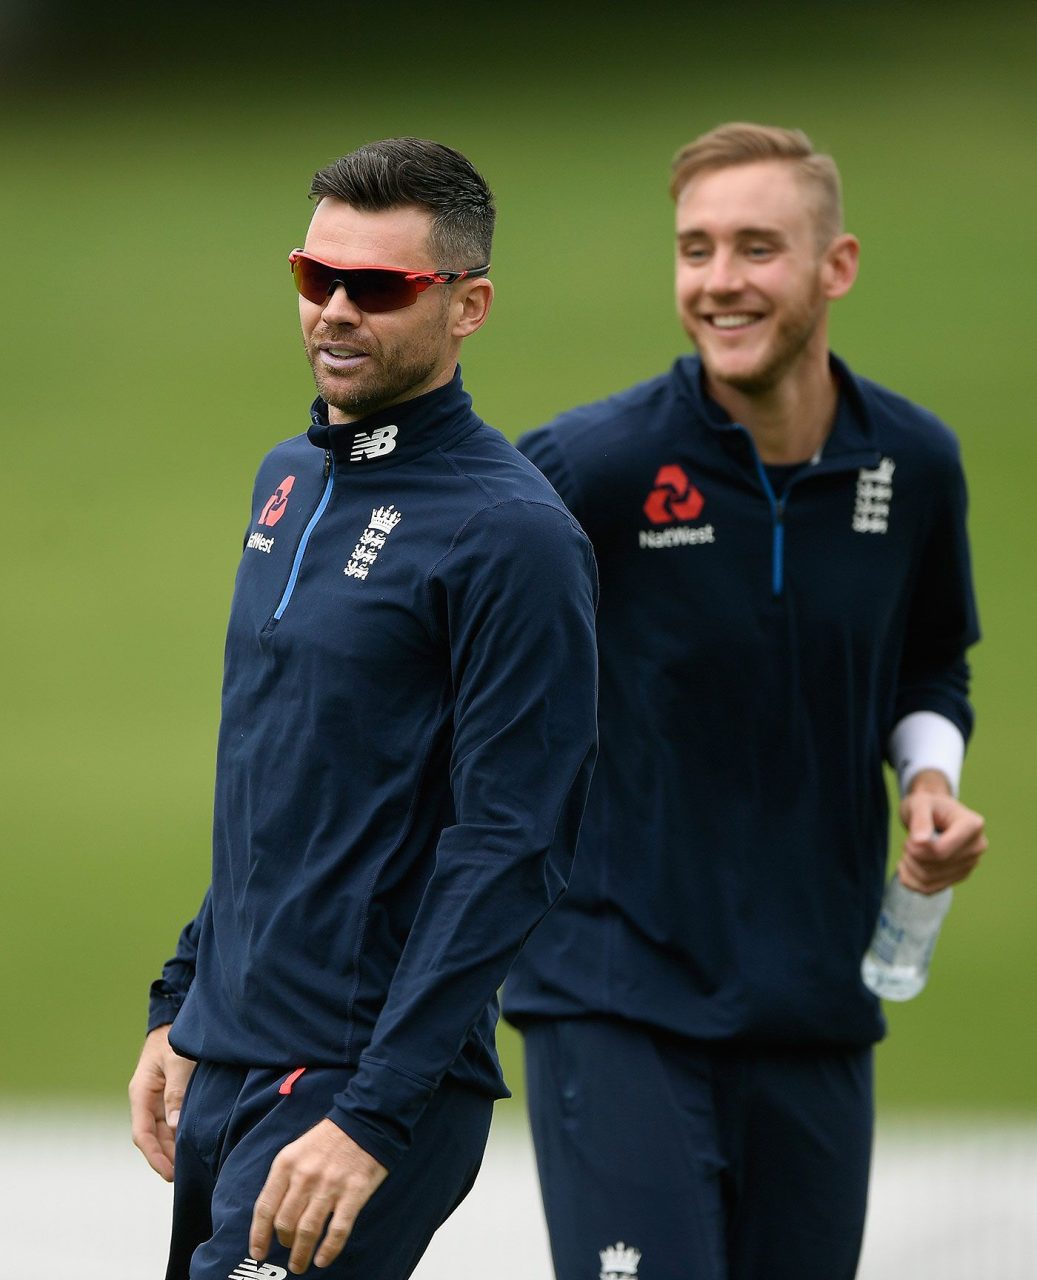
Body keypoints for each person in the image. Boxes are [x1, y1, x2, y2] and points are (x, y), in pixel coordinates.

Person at [502, 122, 988, 1280]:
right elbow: (452, 675)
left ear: (836, 265)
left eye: (756, 247)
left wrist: (929, 781)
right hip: (613, 997)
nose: (719, 280)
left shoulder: (910, 466)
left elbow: (926, 663)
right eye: (695, 248)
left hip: (818, 1003)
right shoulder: (592, 468)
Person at [128, 137, 599, 1280]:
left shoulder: (512, 535)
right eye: (314, 277)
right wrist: (184, 999)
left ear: (466, 304)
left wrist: (374, 1112)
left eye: (377, 287)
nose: (335, 311)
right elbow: (283, 777)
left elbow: (512, 842)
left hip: (353, 1082)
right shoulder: (286, 479)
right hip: (232, 1056)